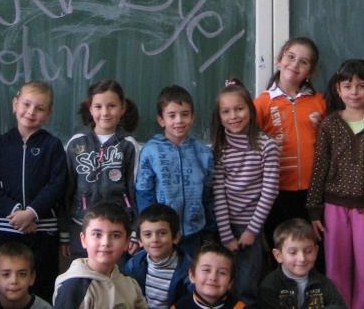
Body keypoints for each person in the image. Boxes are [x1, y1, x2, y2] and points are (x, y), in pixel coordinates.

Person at [306, 59, 364, 309]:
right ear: (338, 90)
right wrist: (313, 209)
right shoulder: (330, 124)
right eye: (348, 86)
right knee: (336, 270)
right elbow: (319, 167)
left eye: (361, 86)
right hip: (333, 208)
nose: (354, 92)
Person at [0, 81, 68, 301]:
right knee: (11, 287)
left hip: (44, 230)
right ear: (15, 104)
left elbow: (57, 184)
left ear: (48, 114)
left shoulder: (53, 145)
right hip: (9, 227)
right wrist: (15, 213)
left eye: (40, 109)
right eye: (26, 104)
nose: (31, 112)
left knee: (42, 283)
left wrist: (31, 213)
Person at [211, 77, 279, 305]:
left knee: (246, 286)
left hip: (252, 228)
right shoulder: (219, 148)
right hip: (225, 227)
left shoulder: (266, 145)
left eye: (239, 109)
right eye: (226, 111)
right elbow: (218, 192)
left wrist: (251, 230)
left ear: (250, 109)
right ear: (219, 117)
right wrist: (226, 234)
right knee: (221, 284)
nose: (233, 116)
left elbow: (269, 191)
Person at [254, 37, 327, 244]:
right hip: (275, 192)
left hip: (313, 193)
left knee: (312, 248)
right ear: (279, 59)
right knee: (282, 248)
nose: (295, 65)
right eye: (291, 57)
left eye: (303, 62)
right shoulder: (262, 103)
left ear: (311, 71)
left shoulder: (319, 102)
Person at [61, 79, 142, 260]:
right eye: (98, 106)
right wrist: (65, 233)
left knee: (115, 280)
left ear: (122, 109)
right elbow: (66, 192)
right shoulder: (76, 144)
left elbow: (134, 191)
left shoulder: (129, 146)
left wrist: (135, 230)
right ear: (90, 109)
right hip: (81, 226)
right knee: (84, 282)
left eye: (112, 105)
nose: (105, 112)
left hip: (118, 229)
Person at [137, 85, 215, 257]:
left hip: (194, 232)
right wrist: (150, 230)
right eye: (172, 115)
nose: (179, 120)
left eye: (185, 114)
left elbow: (208, 195)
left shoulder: (203, 153)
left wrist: (210, 231)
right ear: (161, 120)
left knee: (191, 279)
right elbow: (144, 193)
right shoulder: (151, 151)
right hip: (162, 236)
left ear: (192, 117)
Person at [53, 202, 147, 309]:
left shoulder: (130, 282)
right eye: (97, 234)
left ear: (127, 242)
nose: (105, 242)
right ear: (83, 240)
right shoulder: (73, 287)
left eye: (116, 236)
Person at [258, 218, 345, 309]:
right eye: (293, 252)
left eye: (308, 251)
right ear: (278, 256)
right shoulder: (269, 286)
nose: (302, 258)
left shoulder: (323, 283)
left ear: (315, 251)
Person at [125, 203, 191, 309]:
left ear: (176, 237)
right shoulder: (133, 265)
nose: (155, 239)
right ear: (140, 241)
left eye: (162, 233)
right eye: (148, 235)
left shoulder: (188, 269)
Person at [0, 241, 52, 309]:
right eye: (6, 274)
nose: (14, 281)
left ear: (32, 277)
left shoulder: (44, 307)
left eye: (22, 274)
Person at [171, 244, 246, 309]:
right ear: (192, 276)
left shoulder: (239, 307)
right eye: (206, 270)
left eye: (222, 273)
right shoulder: (179, 307)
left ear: (230, 282)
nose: (213, 278)